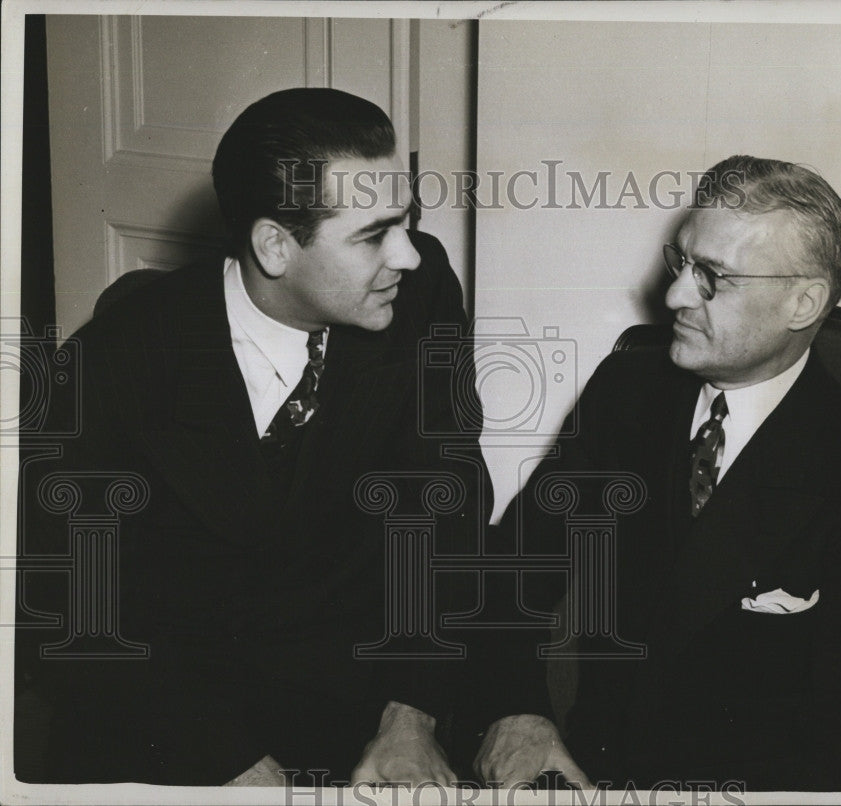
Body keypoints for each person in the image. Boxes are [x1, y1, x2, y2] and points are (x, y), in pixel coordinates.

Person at [17, 88, 491, 786]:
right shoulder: (118, 358)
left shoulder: (419, 296)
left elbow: (449, 514)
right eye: (372, 234)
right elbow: (69, 607)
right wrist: (223, 762)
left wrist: (411, 713)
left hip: (359, 719)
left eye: (407, 220)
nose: (409, 255)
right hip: (162, 722)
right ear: (274, 245)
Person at [475, 156, 841, 791]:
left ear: (804, 302)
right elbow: (512, 566)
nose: (676, 294)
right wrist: (516, 709)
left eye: (713, 277)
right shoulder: (627, 391)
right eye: (681, 262)